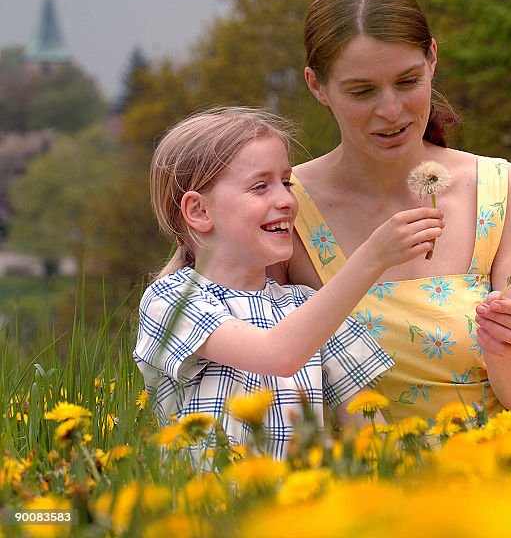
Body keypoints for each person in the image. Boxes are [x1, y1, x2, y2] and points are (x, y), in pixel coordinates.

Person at [269, 0, 511, 423]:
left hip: (492, 475)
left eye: (407, 82)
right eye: (361, 91)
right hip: (349, 485)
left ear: (433, 59)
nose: (390, 111)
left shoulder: (501, 189)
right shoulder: (283, 207)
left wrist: (509, 351)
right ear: (316, 86)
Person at [134, 106, 444, 458]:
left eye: (287, 182)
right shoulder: (172, 300)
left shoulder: (304, 306)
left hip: (299, 510)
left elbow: (369, 434)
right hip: (211, 509)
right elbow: (277, 354)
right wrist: (371, 258)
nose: (285, 200)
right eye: (260, 186)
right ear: (199, 212)